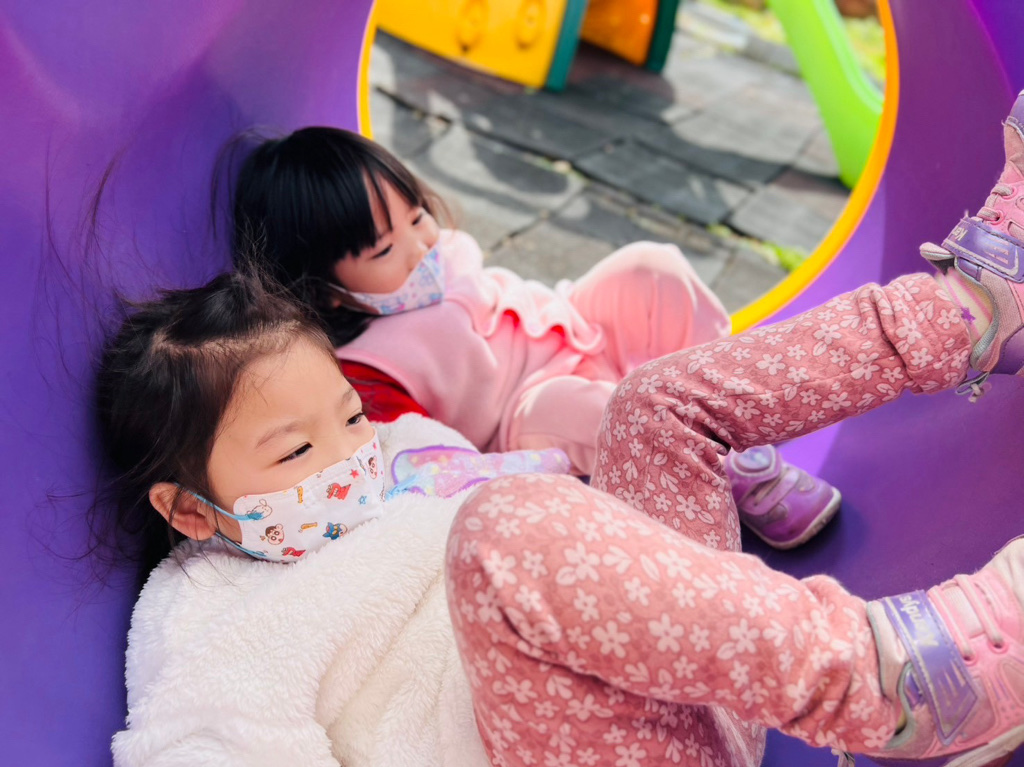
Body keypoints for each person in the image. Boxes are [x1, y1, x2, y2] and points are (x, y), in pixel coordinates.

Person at [107, 90, 1024, 767]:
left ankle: (972, 316)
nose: (352, 454)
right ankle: (900, 685)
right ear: (188, 511)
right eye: (299, 450)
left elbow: (468, 469)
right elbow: (200, 748)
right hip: (572, 745)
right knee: (501, 533)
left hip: (695, 676)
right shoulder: (209, 611)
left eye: (351, 417)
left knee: (648, 405)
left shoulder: (394, 463)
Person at [225, 127, 841, 550]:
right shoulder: (369, 367)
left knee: (652, 268)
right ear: (329, 290)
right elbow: (418, 455)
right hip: (525, 411)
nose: (421, 246)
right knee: (593, 409)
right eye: (385, 249)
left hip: (574, 323)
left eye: (417, 217)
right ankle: (725, 472)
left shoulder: (441, 255)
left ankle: (725, 400)